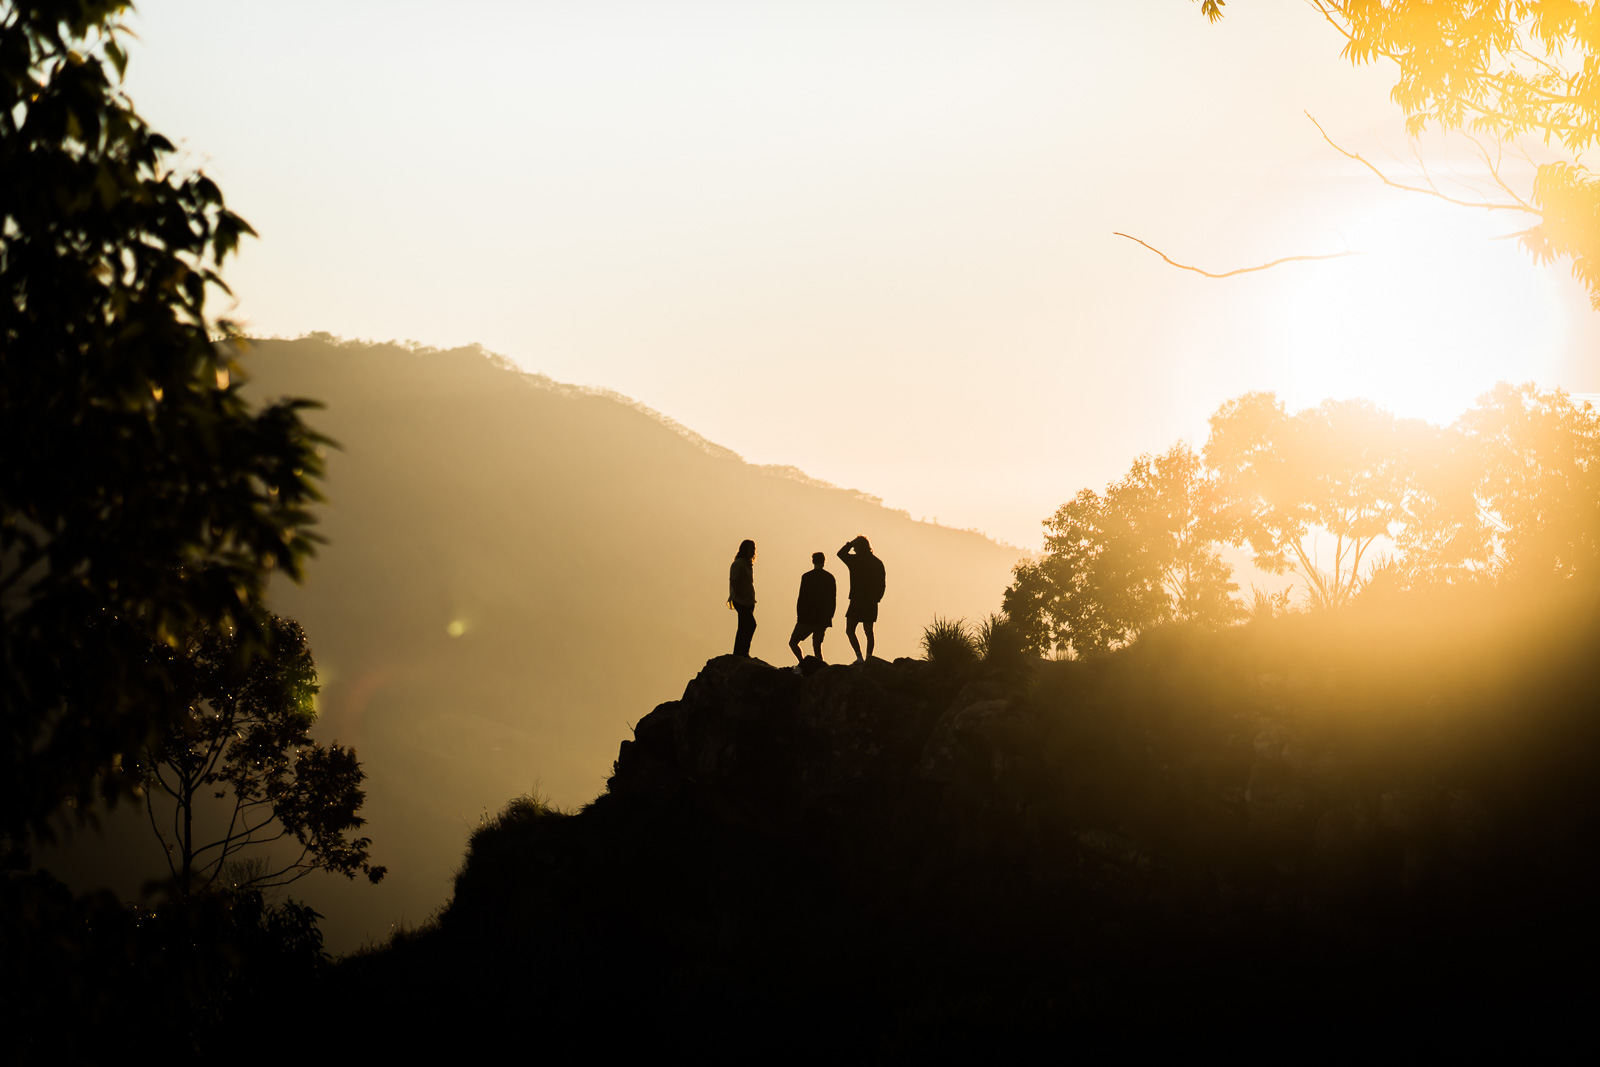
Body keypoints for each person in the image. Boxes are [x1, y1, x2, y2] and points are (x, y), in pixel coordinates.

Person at [837, 535, 886, 662]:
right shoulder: (877, 562)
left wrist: (850, 543)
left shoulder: (855, 561)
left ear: (858, 547)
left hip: (857, 600)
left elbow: (840, 553)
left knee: (850, 630)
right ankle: (869, 658)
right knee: (869, 631)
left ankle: (859, 657)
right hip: (871, 601)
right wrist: (877, 598)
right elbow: (882, 584)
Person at [788, 551, 837, 665]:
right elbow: (832, 599)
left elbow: (802, 597)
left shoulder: (807, 577)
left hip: (807, 617)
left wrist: (799, 615)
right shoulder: (829, 577)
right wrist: (829, 617)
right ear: (824, 562)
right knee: (817, 646)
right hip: (822, 617)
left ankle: (803, 663)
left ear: (813, 561)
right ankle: (820, 669)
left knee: (793, 642)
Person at [728, 539, 757, 657]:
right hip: (740, 600)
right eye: (751, 548)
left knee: (743, 626)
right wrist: (742, 596)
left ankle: (738, 652)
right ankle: (743, 651)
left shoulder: (747, 564)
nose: (753, 551)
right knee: (751, 624)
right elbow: (734, 582)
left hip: (748, 600)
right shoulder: (738, 564)